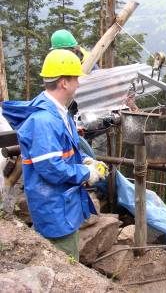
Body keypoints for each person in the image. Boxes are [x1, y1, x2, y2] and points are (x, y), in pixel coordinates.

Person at [2, 49, 108, 261]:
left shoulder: (59, 113)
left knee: (69, 259)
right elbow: (52, 169)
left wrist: (83, 160)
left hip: (65, 206)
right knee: (65, 263)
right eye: (75, 78)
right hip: (55, 212)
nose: (78, 83)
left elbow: (63, 153)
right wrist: (86, 173)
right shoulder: (44, 121)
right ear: (64, 83)